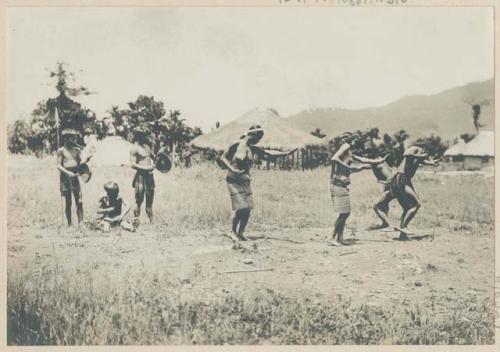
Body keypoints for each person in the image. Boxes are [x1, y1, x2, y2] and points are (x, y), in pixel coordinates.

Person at [219, 125, 295, 242]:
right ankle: (233, 232)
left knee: (248, 208)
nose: (258, 141)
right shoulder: (237, 144)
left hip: (245, 181)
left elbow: (269, 153)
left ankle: (241, 233)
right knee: (241, 207)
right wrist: (232, 169)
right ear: (252, 135)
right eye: (258, 138)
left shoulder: (252, 148)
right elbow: (223, 157)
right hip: (233, 180)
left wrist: (286, 154)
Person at [329, 133, 372, 246]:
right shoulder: (346, 146)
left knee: (345, 213)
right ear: (351, 140)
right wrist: (347, 166)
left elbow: (355, 165)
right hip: (337, 185)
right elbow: (334, 158)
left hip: (341, 185)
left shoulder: (348, 152)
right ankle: (331, 237)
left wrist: (369, 165)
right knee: (345, 213)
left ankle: (340, 238)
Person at [352, 149, 410, 230]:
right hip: (393, 184)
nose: (365, 156)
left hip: (392, 185)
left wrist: (353, 155)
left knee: (376, 206)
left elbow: (362, 160)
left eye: (366, 155)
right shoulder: (377, 161)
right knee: (384, 204)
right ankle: (386, 224)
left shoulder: (377, 160)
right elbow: (364, 166)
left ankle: (388, 225)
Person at [390, 145, 440, 239]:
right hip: (401, 178)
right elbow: (406, 154)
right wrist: (421, 156)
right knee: (416, 204)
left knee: (407, 207)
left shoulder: (418, 155)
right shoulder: (416, 149)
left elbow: (420, 161)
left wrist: (431, 163)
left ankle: (402, 234)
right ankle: (404, 227)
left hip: (404, 180)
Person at [57, 128, 90, 226]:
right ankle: (69, 224)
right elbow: (58, 165)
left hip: (75, 176)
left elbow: (80, 164)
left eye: (75, 138)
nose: (74, 140)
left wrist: (86, 160)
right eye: (72, 138)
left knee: (79, 200)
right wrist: (67, 172)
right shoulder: (61, 151)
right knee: (68, 201)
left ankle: (81, 222)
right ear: (66, 139)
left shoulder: (76, 150)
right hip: (65, 178)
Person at [130, 126, 156, 224]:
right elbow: (133, 164)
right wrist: (147, 168)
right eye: (141, 135)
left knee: (149, 201)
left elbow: (154, 157)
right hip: (140, 176)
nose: (144, 137)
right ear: (137, 136)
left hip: (149, 176)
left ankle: (152, 222)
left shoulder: (147, 146)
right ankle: (136, 221)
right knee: (139, 200)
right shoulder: (134, 148)